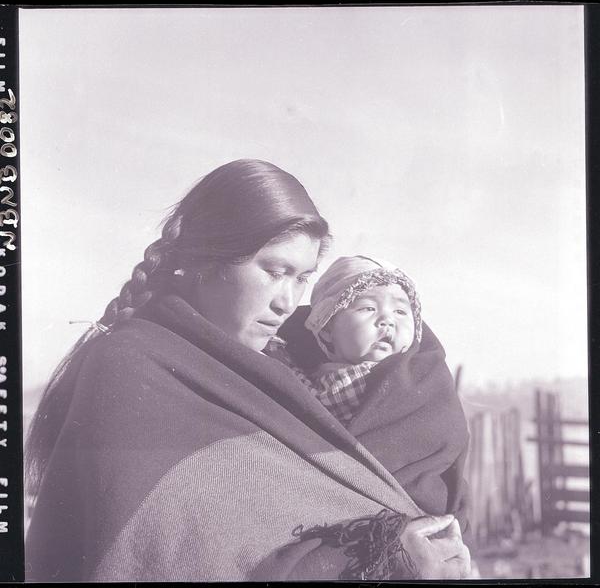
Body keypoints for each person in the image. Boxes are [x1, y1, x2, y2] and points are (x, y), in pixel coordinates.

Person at [24, 159, 471, 581]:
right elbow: (169, 556)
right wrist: (380, 555)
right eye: (274, 271)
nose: (287, 302)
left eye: (302, 278)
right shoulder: (131, 368)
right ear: (208, 259)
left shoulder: (279, 374)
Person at [297, 255, 470, 528]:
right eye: (367, 308)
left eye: (401, 312)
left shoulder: (423, 383)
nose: (387, 321)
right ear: (327, 327)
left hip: (415, 511)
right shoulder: (299, 383)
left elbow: (442, 440)